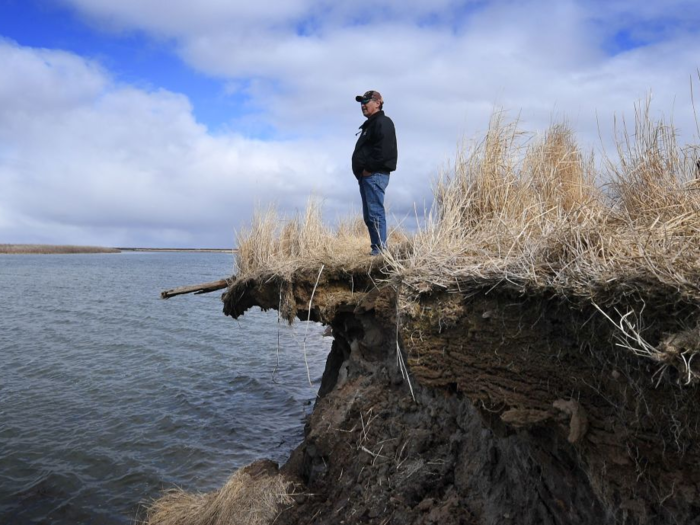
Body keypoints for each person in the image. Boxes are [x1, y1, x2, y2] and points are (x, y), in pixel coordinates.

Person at [351, 90, 398, 255]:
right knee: (369, 215)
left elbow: (384, 150)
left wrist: (368, 169)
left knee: (375, 212)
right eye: (361, 102)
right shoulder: (371, 124)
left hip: (374, 175)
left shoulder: (382, 122)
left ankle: (380, 251)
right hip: (368, 177)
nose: (363, 105)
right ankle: (376, 249)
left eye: (366, 101)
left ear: (378, 102)